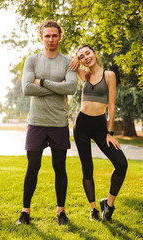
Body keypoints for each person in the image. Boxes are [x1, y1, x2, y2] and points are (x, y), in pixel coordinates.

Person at [16, 20, 77, 226]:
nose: (51, 39)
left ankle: (61, 212)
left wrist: (41, 81)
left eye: (54, 35)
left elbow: (70, 89)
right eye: (47, 35)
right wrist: (56, 86)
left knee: (59, 167)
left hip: (59, 123)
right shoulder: (31, 60)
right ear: (40, 37)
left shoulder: (68, 62)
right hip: (36, 123)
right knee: (32, 167)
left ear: (60, 37)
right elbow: (26, 88)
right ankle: (25, 211)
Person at [70, 45, 128, 222]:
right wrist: (74, 59)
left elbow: (111, 105)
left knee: (121, 163)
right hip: (81, 125)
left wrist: (110, 132)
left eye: (88, 53)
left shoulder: (109, 75)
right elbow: (65, 63)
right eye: (81, 56)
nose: (86, 57)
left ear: (94, 53)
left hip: (100, 126)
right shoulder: (82, 74)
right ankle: (93, 209)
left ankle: (108, 205)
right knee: (87, 168)